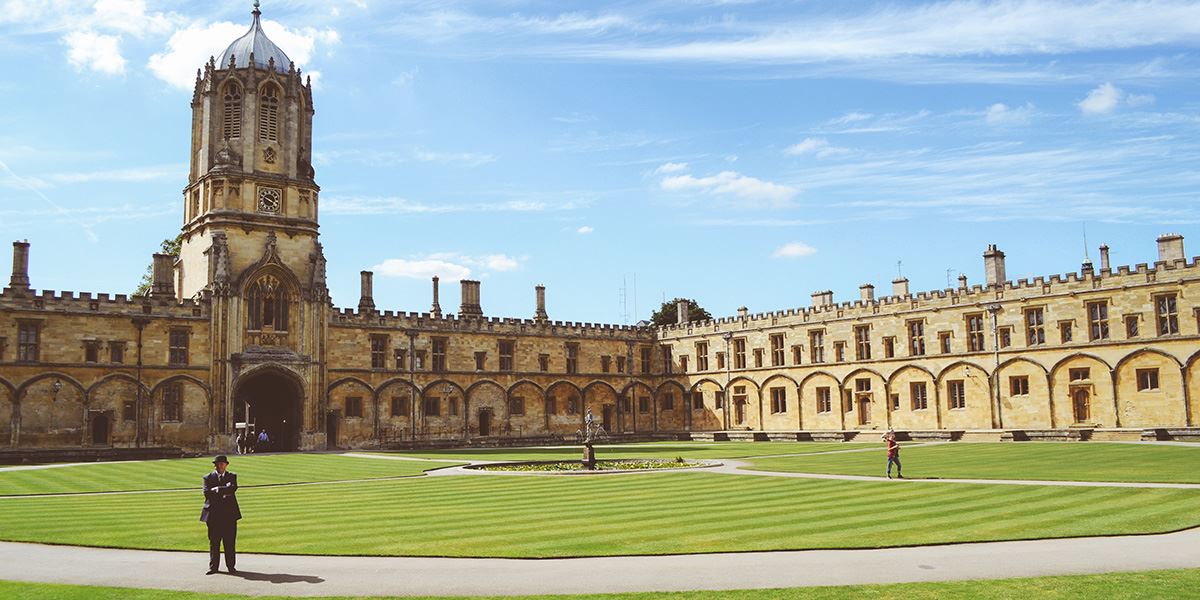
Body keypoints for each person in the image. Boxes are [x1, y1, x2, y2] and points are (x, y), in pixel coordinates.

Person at [200, 455, 241, 574]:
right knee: (214, 542)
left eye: (223, 464)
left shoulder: (232, 476)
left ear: (226, 465)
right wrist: (224, 491)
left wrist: (217, 489)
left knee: (230, 542)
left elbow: (233, 489)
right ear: (215, 465)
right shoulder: (207, 477)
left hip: (229, 515)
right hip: (214, 515)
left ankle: (231, 567)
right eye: (218, 464)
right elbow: (207, 493)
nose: (220, 466)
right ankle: (213, 567)